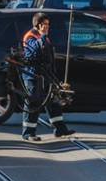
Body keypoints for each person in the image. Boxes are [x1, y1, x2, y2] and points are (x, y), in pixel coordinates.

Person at [19, 11, 72, 142]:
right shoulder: (31, 36)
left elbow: (49, 57)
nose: (47, 27)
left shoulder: (44, 37)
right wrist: (42, 36)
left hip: (46, 75)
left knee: (53, 101)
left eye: (48, 24)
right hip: (33, 75)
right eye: (45, 24)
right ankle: (28, 133)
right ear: (38, 25)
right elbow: (33, 53)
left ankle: (60, 129)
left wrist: (54, 76)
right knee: (33, 102)